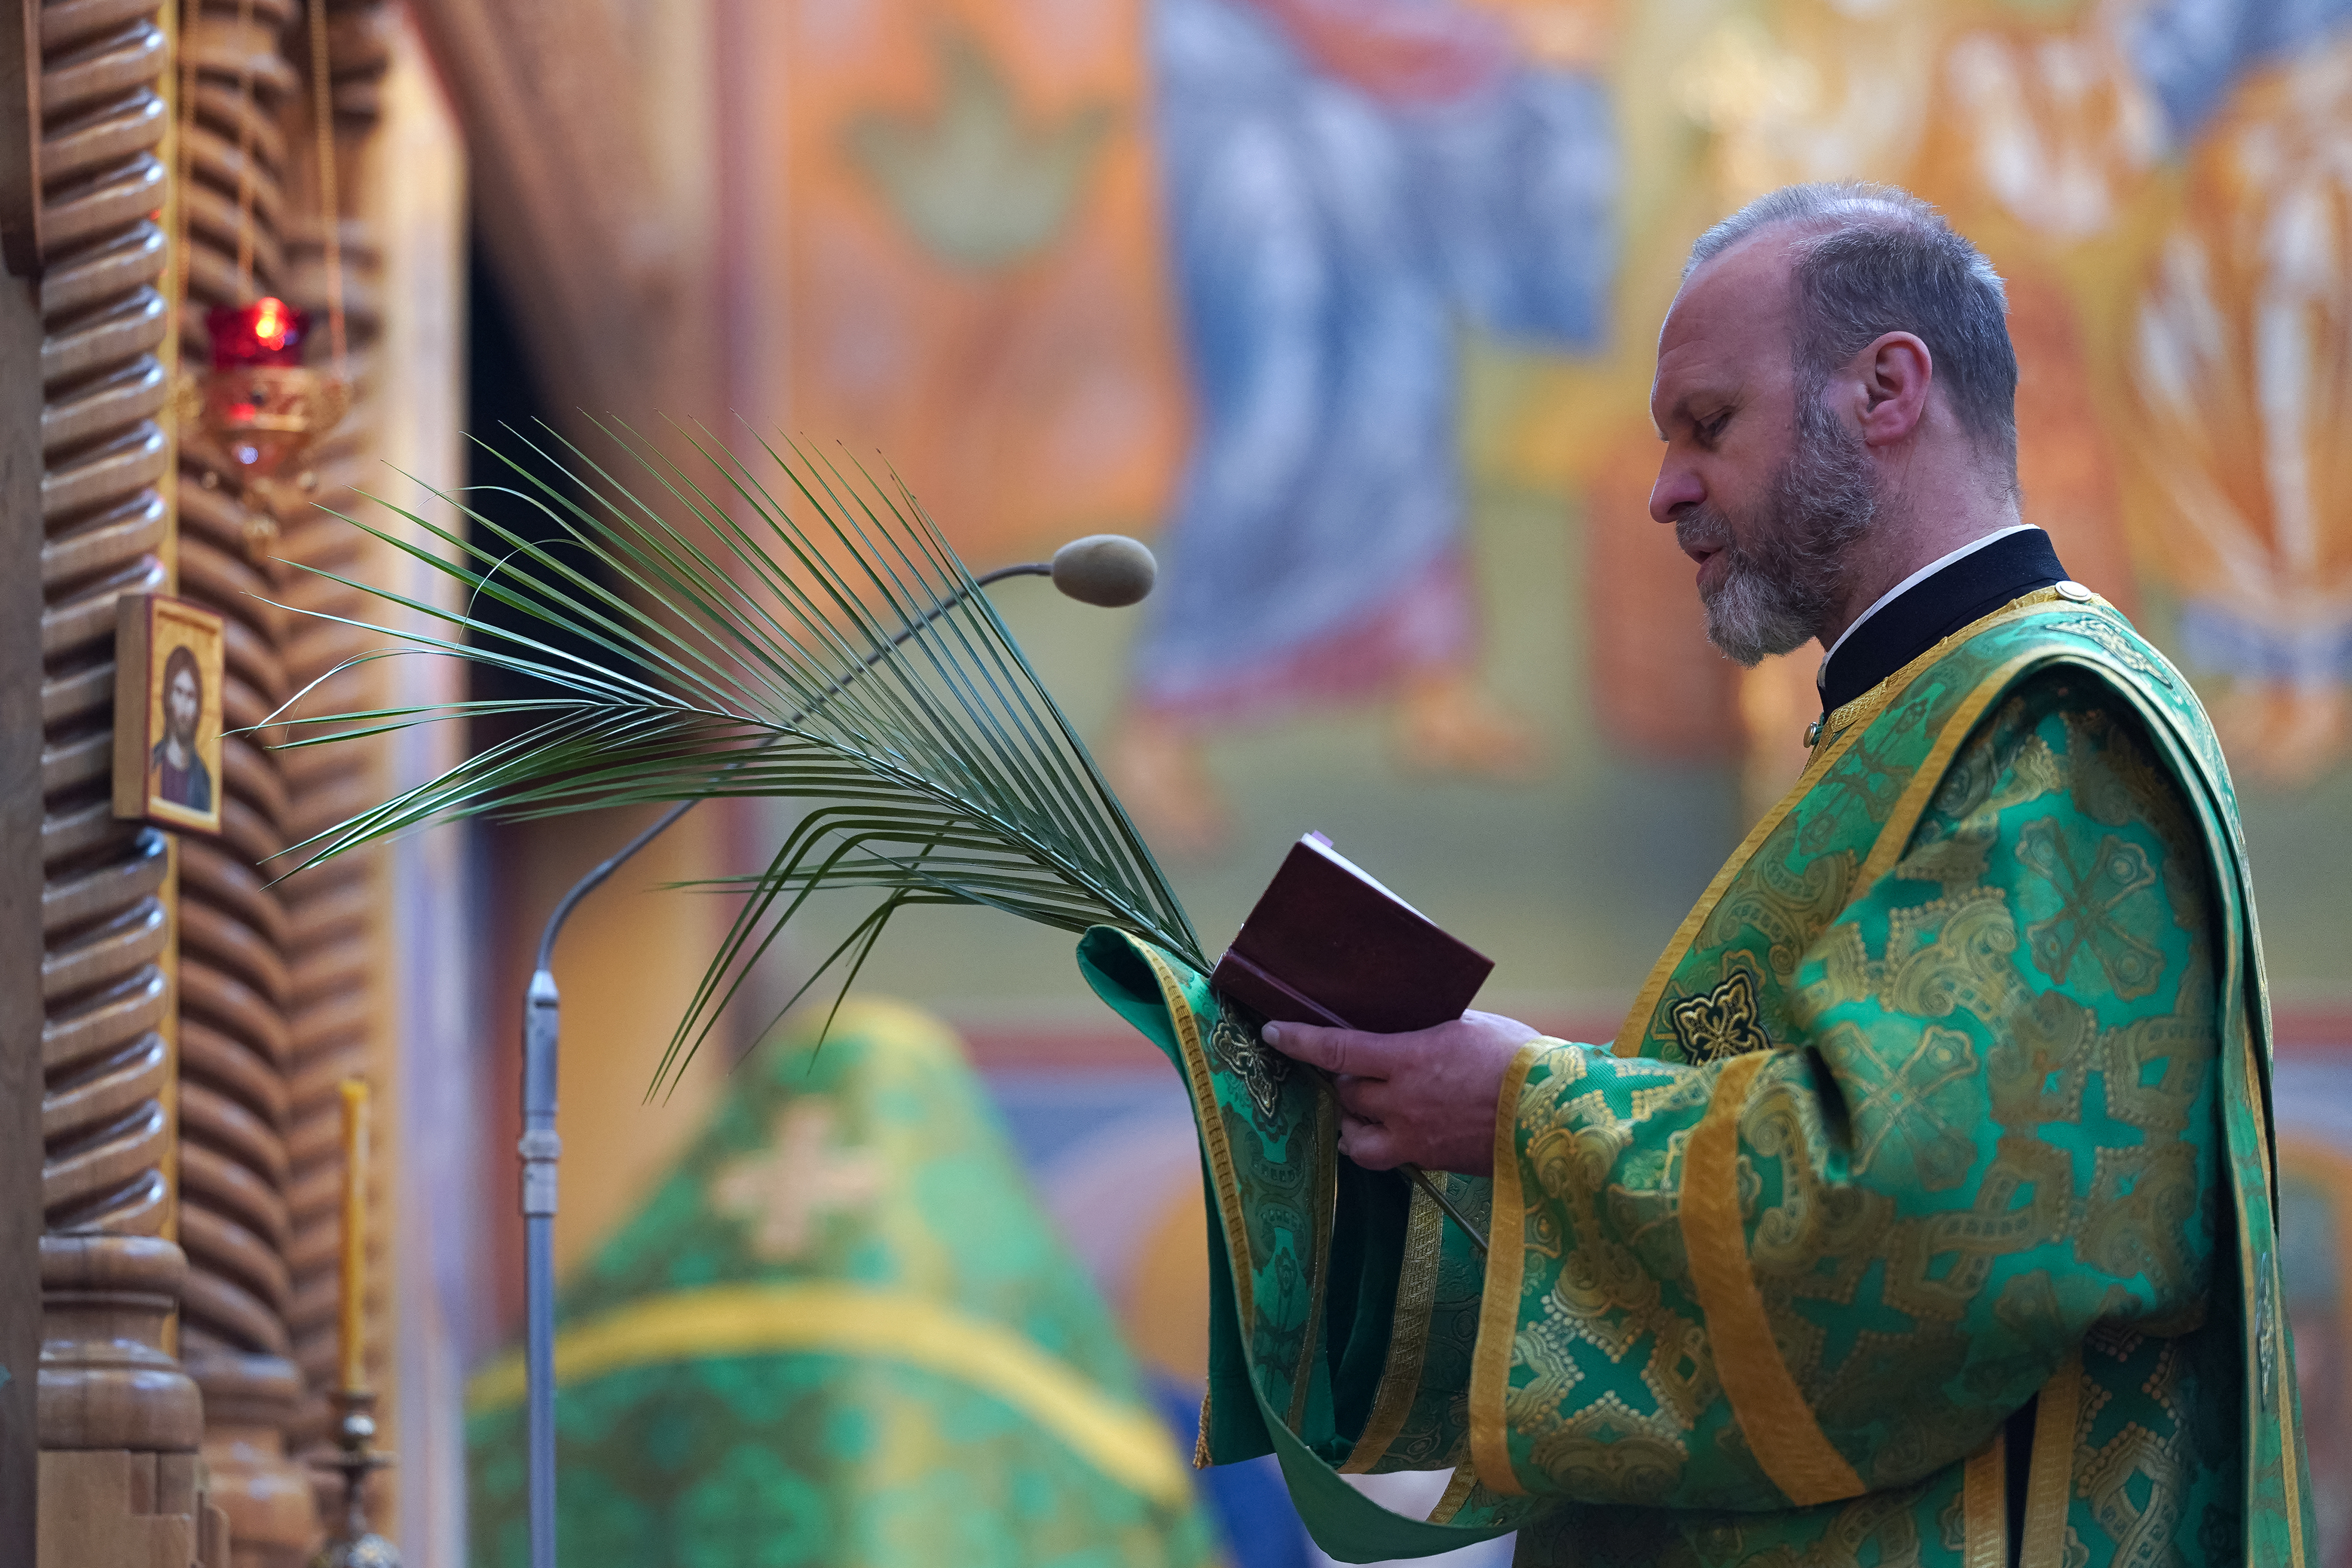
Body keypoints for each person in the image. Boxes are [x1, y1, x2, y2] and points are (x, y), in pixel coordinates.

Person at [1080, 181, 2312, 1566]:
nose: (1663, 489)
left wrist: (1518, 1105)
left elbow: (1897, 1214)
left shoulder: (2046, 729)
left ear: (1886, 389)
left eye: (1706, 426)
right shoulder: (1913, 724)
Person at [151, 643, 213, 813]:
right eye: (179, 692)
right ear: (168, 697)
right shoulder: (151, 766)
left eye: (191, 696)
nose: (185, 706)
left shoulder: (204, 783)